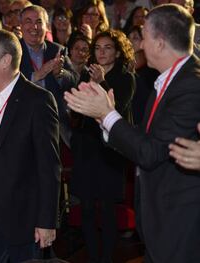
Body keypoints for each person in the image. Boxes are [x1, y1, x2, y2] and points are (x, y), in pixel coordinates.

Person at [64, 4, 200, 262]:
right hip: (162, 219)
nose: (140, 46)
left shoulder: (190, 86)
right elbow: (150, 139)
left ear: (159, 43)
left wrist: (106, 115)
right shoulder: (167, 80)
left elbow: (151, 152)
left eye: (145, 38)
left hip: (179, 221)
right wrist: (108, 117)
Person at [0, 29, 61, 263]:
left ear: (6, 61)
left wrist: (47, 222)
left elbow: (49, 167)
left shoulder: (37, 100)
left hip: (23, 216)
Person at [69, 29, 135, 263]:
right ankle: (93, 257)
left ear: (117, 52)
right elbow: (76, 107)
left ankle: (105, 258)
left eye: (107, 48)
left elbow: (117, 108)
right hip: (87, 147)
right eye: (97, 48)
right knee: (86, 208)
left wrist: (101, 81)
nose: (102, 52)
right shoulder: (87, 73)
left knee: (107, 209)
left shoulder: (125, 77)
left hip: (110, 151)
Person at [19, 5, 77, 145]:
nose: (34, 27)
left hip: (54, 120)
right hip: (22, 119)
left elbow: (75, 81)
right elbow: (6, 80)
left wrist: (60, 73)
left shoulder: (57, 50)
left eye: (39, 22)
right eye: (28, 21)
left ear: (47, 27)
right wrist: (36, 75)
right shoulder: (13, 50)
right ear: (21, 26)